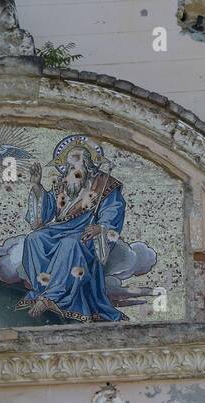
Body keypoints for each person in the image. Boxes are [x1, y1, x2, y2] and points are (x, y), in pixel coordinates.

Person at [18, 135, 126, 323]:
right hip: (60, 229)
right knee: (34, 238)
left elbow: (113, 209)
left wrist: (101, 227)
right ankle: (43, 289)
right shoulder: (63, 184)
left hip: (87, 233)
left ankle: (51, 297)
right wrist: (36, 187)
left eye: (76, 164)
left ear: (88, 165)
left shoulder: (104, 185)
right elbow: (44, 216)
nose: (71, 170)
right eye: (68, 166)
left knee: (70, 244)